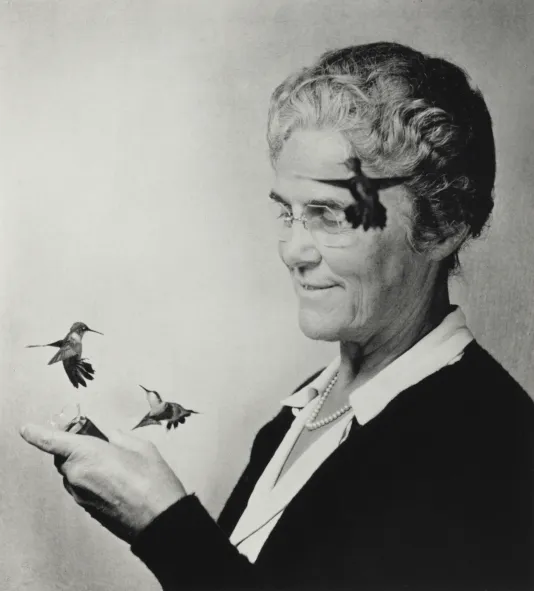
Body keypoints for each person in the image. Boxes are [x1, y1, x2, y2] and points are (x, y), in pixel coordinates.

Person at [21, 41, 534, 590]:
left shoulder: (492, 453)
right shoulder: (303, 410)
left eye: (330, 215)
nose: (294, 249)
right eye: (286, 213)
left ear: (440, 227)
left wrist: (162, 526)